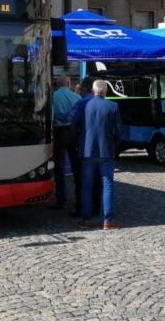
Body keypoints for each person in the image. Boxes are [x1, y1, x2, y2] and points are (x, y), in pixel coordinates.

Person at [77, 79, 122, 230]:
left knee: (86, 186)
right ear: (106, 92)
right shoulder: (113, 106)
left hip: (87, 150)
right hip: (106, 151)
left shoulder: (83, 104)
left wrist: (78, 143)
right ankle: (108, 220)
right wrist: (113, 145)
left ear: (92, 90)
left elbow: (74, 126)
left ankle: (85, 219)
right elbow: (118, 132)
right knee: (107, 185)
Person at [69, 77, 101, 218]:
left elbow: (72, 122)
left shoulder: (81, 103)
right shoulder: (108, 104)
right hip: (101, 149)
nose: (79, 89)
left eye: (81, 87)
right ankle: (96, 208)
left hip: (83, 148)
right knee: (98, 180)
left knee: (81, 180)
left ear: (86, 88)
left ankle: (81, 209)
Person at [50, 75, 79, 210]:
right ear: (68, 83)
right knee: (76, 166)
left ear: (57, 83)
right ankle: (79, 197)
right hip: (73, 132)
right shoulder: (76, 98)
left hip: (59, 132)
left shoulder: (52, 97)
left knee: (59, 167)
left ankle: (61, 199)